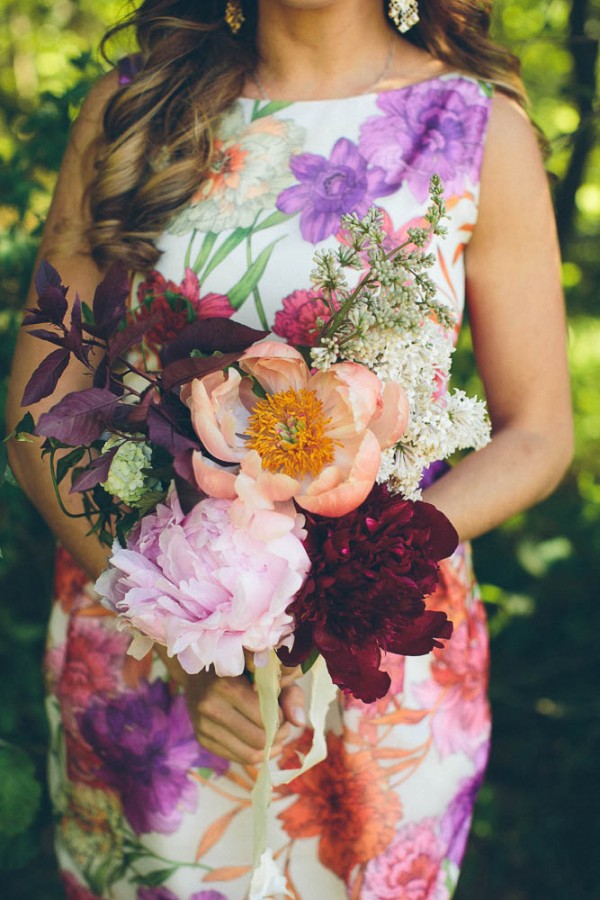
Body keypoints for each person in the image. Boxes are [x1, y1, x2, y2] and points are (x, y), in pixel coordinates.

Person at [7, 1, 573, 897]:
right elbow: (43, 414)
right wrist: (177, 624)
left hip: (377, 655)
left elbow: (538, 431)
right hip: (148, 652)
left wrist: (349, 577)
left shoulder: (474, 129)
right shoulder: (132, 112)